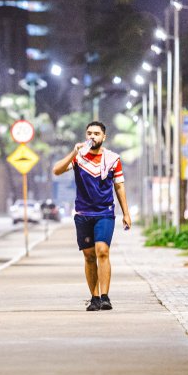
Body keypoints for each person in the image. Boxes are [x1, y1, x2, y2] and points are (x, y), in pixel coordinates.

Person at [52, 121, 132, 311]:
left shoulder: (113, 159)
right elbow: (57, 170)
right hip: (82, 214)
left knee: (102, 251)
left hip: (104, 212)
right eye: (89, 133)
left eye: (96, 133)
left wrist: (126, 213)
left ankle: (105, 296)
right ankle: (94, 298)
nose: (92, 137)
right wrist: (74, 152)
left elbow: (119, 186)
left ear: (104, 137)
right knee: (89, 257)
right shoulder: (79, 158)